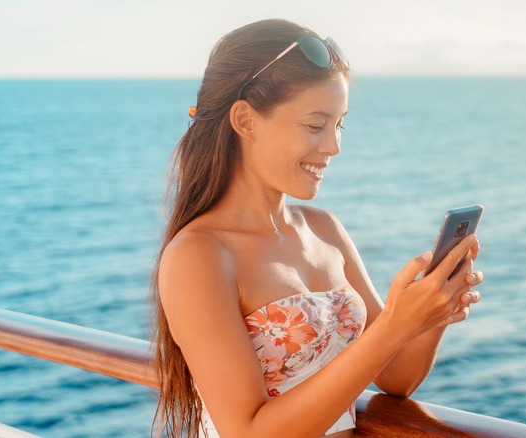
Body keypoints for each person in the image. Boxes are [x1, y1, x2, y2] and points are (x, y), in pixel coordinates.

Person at [150, 18, 484, 438]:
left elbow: (397, 378)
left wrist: (431, 312)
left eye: (339, 123)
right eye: (315, 125)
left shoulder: (325, 230)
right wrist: (395, 325)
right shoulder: (198, 257)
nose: (334, 145)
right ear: (245, 121)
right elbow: (248, 432)